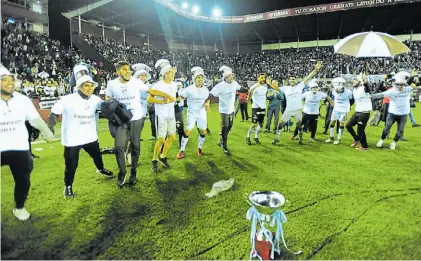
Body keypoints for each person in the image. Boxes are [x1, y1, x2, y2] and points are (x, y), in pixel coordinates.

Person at [48, 64, 114, 198]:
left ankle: (100, 169)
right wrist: (50, 128)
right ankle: (68, 186)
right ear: (79, 87)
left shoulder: (96, 100)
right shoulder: (67, 100)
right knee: (71, 164)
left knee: (97, 156)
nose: (90, 88)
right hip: (72, 139)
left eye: (91, 86)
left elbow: (105, 111)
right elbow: (54, 114)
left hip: (90, 136)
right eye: (86, 86)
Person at [0, 65, 54, 220]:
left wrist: (47, 133)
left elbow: (35, 119)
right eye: (4, 80)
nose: (10, 83)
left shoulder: (22, 99)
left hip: (20, 148)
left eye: (12, 79)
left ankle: (19, 207)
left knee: (23, 179)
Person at [106, 61, 171, 186]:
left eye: (129, 69)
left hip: (136, 118)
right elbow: (108, 98)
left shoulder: (136, 82)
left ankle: (133, 171)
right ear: (118, 72)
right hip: (121, 119)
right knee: (119, 146)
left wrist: (166, 95)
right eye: (124, 69)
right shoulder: (112, 84)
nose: (128, 71)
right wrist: (112, 110)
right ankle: (122, 172)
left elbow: (151, 90)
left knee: (135, 146)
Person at [272, 61, 323, 145]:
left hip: (298, 110)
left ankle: (300, 140)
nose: (292, 80)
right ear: (288, 80)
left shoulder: (300, 86)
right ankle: (277, 138)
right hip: (288, 110)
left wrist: (315, 69)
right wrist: (269, 83)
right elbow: (276, 87)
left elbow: (308, 77)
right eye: (291, 79)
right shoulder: (285, 88)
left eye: (293, 79)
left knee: (299, 126)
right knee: (281, 124)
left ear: (295, 80)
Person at [374, 73, 421, 150]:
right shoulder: (391, 91)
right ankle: (381, 140)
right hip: (392, 113)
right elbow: (379, 95)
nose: (400, 86)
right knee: (387, 128)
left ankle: (394, 143)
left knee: (400, 131)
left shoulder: (408, 89)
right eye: (398, 85)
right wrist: (368, 96)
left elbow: (418, 85)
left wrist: (414, 76)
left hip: (403, 114)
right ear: (395, 85)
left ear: (404, 85)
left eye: (401, 85)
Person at [147, 59, 178, 172]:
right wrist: (162, 102)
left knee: (172, 137)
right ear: (165, 73)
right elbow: (149, 99)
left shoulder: (174, 85)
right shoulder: (157, 85)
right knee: (161, 139)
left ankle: (163, 156)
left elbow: (173, 99)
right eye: (171, 72)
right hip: (161, 115)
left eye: (173, 72)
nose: (173, 74)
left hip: (171, 115)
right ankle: (154, 159)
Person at [206, 66, 242, 154]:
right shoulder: (220, 86)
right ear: (225, 77)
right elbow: (211, 94)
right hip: (224, 110)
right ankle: (224, 145)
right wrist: (207, 102)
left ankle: (221, 139)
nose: (231, 77)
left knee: (230, 126)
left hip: (231, 109)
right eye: (230, 76)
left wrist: (249, 91)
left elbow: (240, 88)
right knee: (225, 127)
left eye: (232, 75)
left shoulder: (234, 83)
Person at [176, 67, 210, 159]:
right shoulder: (189, 89)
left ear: (203, 79)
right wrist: (172, 100)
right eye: (198, 78)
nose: (200, 79)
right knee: (188, 132)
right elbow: (181, 97)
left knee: (203, 131)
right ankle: (181, 150)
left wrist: (207, 103)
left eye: (201, 78)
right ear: (194, 79)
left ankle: (199, 148)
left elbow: (207, 99)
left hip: (202, 113)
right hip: (191, 113)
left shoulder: (205, 89)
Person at [246, 73, 280, 145]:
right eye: (261, 78)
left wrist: (272, 93)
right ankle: (248, 136)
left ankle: (256, 137)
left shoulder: (265, 86)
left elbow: (267, 95)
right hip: (255, 107)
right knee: (254, 124)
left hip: (263, 107)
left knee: (261, 124)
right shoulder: (254, 87)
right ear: (258, 78)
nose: (263, 79)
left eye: (263, 78)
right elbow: (249, 98)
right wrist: (249, 96)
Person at [346, 74, 372, 151]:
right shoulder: (354, 90)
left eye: (356, 80)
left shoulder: (363, 88)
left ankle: (364, 146)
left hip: (364, 112)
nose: (354, 82)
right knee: (348, 125)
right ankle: (357, 139)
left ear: (360, 82)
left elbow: (368, 89)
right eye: (354, 80)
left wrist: (365, 81)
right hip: (357, 111)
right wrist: (349, 105)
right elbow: (353, 100)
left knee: (360, 130)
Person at [325, 77, 353, 145]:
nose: (336, 91)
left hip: (344, 110)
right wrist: (331, 102)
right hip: (336, 109)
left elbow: (352, 100)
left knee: (341, 124)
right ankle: (331, 137)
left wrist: (349, 106)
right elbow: (329, 96)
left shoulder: (348, 92)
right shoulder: (333, 90)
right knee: (332, 123)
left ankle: (338, 138)